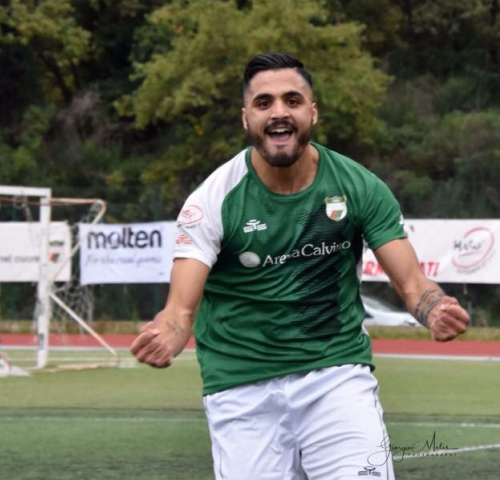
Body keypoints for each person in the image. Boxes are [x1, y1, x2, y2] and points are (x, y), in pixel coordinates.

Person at [131, 52, 470, 480]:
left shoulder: (359, 186)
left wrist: (434, 308)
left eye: (292, 100)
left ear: (312, 112)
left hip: (335, 376)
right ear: (245, 118)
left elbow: (413, 284)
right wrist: (168, 334)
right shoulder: (211, 200)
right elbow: (180, 311)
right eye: (264, 103)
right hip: (240, 386)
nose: (279, 112)